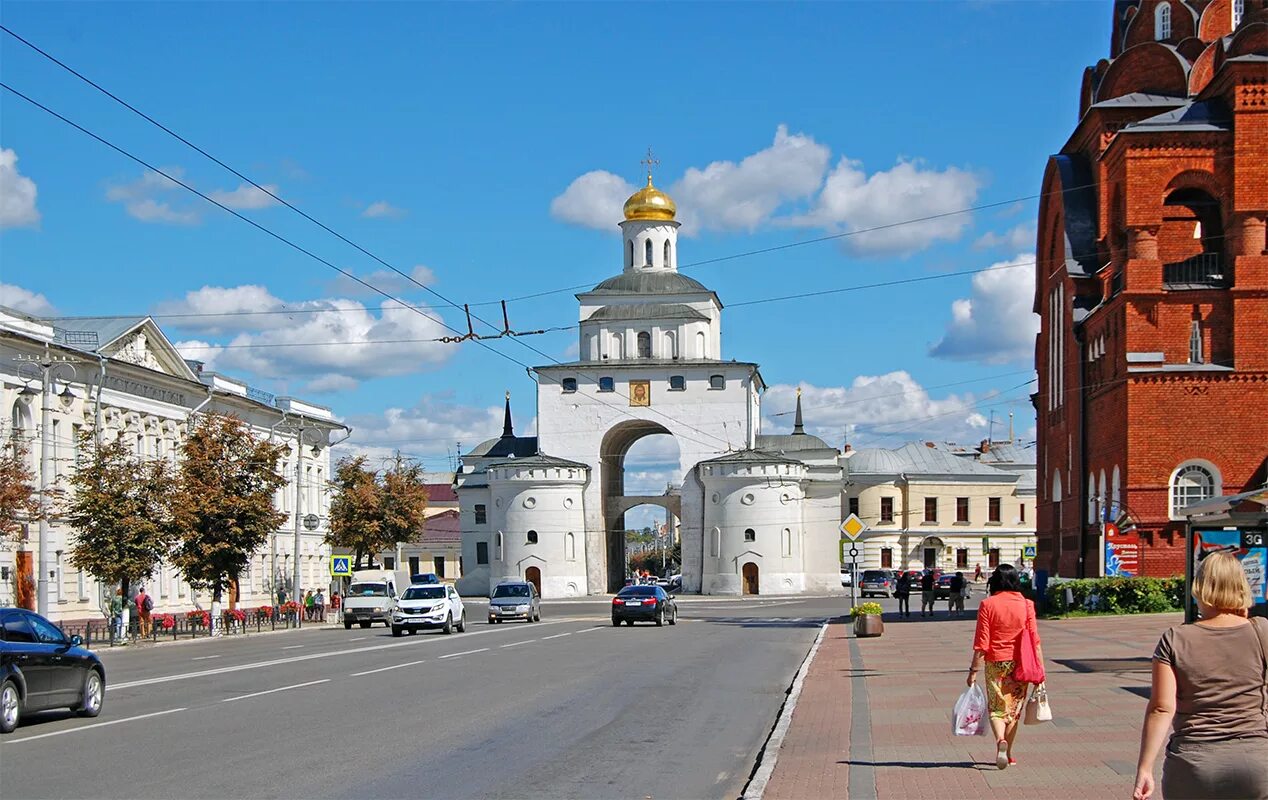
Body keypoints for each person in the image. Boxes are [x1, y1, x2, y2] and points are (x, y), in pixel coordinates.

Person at [1132, 552, 1268, 800]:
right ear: (1241, 586)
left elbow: (1162, 708)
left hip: (1192, 764)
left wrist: (1145, 768)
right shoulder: (1262, 631)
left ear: (1200, 587)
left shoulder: (1175, 639)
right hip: (1255, 762)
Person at [968, 564, 1043, 770]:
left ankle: (1000, 739)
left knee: (996, 708)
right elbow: (1035, 640)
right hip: (1021, 663)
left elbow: (982, 642)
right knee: (1013, 710)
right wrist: (1040, 672)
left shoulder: (987, 604)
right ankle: (1008, 752)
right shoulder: (1027, 605)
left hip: (995, 663)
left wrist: (973, 671)